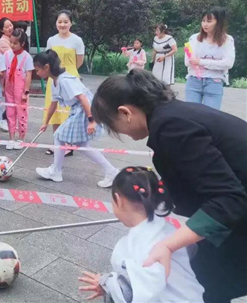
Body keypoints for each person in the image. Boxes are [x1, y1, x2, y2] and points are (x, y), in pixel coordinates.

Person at [91, 70, 247, 302]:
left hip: (238, 210)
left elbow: (229, 199)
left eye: (113, 126)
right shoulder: (171, 116)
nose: (118, 133)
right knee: (204, 274)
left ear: (125, 113)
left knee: (207, 283)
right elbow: (195, 172)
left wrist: (168, 245)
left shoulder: (171, 126)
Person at [78, 167, 204, 302]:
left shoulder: (134, 244)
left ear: (118, 200)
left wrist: (106, 284)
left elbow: (135, 291)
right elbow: (190, 250)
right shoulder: (172, 232)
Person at [34, 50, 118, 187]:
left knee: (60, 136)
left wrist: (92, 121)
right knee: (80, 144)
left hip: (84, 109)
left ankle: (56, 171)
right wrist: (45, 122)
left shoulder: (65, 80)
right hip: (79, 109)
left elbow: (83, 99)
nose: (36, 73)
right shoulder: (54, 81)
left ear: (46, 67)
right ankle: (111, 171)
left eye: (37, 70)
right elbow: (53, 104)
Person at [43, 10, 84, 156]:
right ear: (56, 23)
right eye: (60, 22)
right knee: (54, 111)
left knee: (68, 112)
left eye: (66, 22)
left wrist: (68, 72)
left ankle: (69, 144)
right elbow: (48, 59)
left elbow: (79, 61)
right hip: (54, 78)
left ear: (71, 23)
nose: (62, 25)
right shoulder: (51, 40)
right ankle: (57, 143)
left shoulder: (77, 40)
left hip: (70, 78)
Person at [185, 7, 235, 110]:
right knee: (191, 114)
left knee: (211, 115)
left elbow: (228, 63)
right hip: (194, 81)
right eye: (203, 21)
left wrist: (201, 62)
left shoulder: (227, 40)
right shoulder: (193, 38)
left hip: (214, 82)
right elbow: (188, 62)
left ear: (218, 22)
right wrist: (215, 64)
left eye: (209, 21)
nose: (205, 24)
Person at [4, 29, 33, 150]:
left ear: (22, 44)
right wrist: (3, 87)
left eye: (15, 43)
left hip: (20, 89)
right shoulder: (7, 54)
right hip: (9, 87)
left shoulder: (27, 57)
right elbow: (4, 72)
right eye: (11, 42)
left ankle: (21, 138)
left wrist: (26, 92)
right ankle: (11, 138)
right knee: (10, 113)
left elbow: (28, 75)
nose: (12, 45)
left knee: (22, 114)